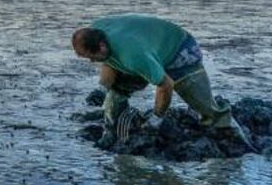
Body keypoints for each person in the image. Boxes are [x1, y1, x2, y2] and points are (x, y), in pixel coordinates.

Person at [71, 14, 252, 149]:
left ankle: (240, 143)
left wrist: (156, 118)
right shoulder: (97, 30)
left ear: (101, 45)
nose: (92, 62)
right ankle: (112, 131)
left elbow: (166, 85)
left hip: (180, 51)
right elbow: (107, 61)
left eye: (92, 57)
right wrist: (104, 87)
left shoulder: (133, 56)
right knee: (115, 93)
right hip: (148, 48)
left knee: (206, 107)